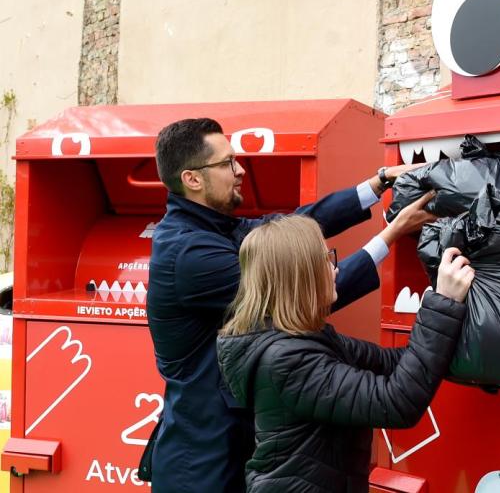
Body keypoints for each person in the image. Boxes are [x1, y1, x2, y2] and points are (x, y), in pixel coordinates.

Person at [147, 118, 434, 493]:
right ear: (193, 179)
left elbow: (294, 226)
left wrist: (378, 183)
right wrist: (392, 233)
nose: (240, 171)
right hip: (204, 459)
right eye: (227, 163)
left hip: (235, 438)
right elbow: (299, 294)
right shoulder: (189, 253)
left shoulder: (211, 227)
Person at [217, 215, 472, 492]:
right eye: (325, 259)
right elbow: (396, 402)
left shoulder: (302, 339)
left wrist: (456, 340)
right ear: (301, 276)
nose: (335, 269)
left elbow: (390, 362)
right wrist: (442, 304)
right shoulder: (287, 360)